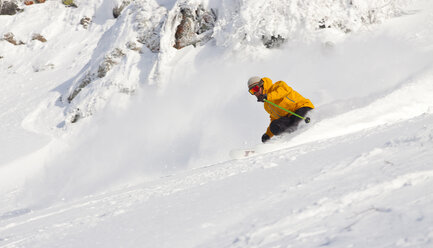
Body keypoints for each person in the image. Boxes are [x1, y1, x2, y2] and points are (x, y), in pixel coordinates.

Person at [247, 76, 315, 143]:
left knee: (296, 123)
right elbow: (274, 118)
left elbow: (283, 92)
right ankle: (286, 142)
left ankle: (307, 133)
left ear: (261, 85)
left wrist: (268, 96)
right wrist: (268, 134)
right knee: (275, 126)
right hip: (291, 118)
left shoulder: (278, 85)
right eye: (252, 91)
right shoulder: (267, 105)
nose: (255, 93)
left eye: (255, 89)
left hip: (302, 108)